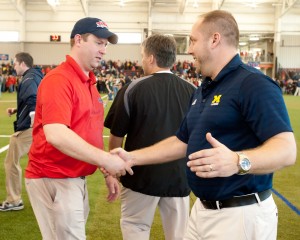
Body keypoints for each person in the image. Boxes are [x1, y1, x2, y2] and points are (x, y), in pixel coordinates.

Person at [112, 10, 297, 240]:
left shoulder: (253, 84)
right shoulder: (204, 89)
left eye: (193, 41)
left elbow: (287, 150)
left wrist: (238, 161)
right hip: (202, 211)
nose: (189, 50)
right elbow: (182, 141)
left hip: (239, 216)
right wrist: (132, 157)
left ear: (215, 39)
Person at [24, 17, 133, 239]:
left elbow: (86, 134)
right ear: (78, 40)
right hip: (54, 176)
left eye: (105, 44)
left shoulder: (88, 80)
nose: (103, 50)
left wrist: (105, 170)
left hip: (71, 178)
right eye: (98, 42)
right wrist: (105, 160)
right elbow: (56, 135)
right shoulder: (60, 79)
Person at [105, 34, 196, 240]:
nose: (141, 60)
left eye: (143, 56)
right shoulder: (193, 91)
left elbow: (116, 136)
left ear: (151, 58)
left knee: (135, 228)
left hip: (139, 176)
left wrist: (112, 169)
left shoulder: (132, 88)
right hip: (179, 178)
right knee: (178, 235)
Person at [0, 52, 43, 212]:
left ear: (22, 63)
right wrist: (18, 110)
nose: (14, 67)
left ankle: (14, 200)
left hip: (29, 127)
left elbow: (33, 99)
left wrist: (30, 118)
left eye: (15, 64)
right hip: (36, 125)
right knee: (39, 162)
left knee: (11, 163)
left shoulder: (29, 78)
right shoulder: (36, 75)